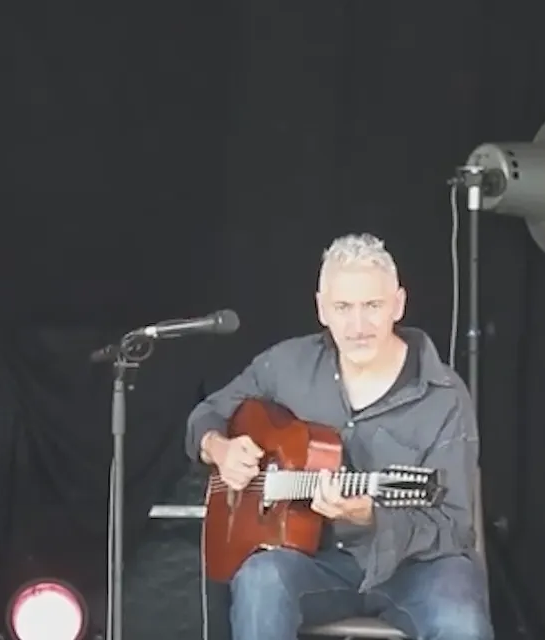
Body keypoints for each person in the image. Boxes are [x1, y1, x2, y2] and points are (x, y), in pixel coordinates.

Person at [185, 233, 493, 640]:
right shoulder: (286, 366)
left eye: (372, 306)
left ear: (398, 304)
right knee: (261, 579)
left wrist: (372, 517)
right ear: (322, 309)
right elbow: (208, 413)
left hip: (419, 567)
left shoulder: (444, 396)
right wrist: (218, 448)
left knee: (460, 621)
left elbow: (454, 527)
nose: (358, 326)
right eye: (344, 308)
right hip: (318, 560)